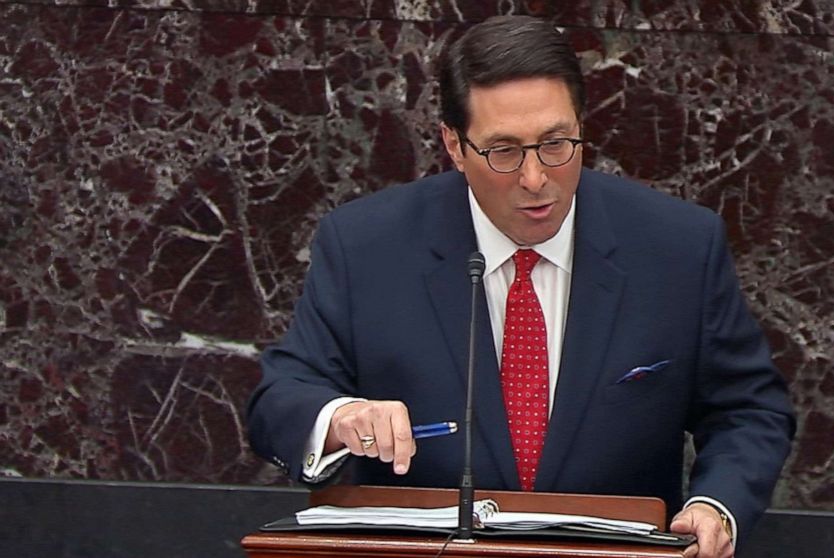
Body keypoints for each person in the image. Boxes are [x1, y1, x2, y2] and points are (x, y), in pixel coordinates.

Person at [247, 15, 794, 558]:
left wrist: (715, 505)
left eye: (556, 144)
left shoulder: (677, 247)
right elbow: (281, 397)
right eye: (503, 151)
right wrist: (340, 418)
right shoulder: (365, 246)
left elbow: (749, 409)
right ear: (455, 146)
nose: (535, 179)